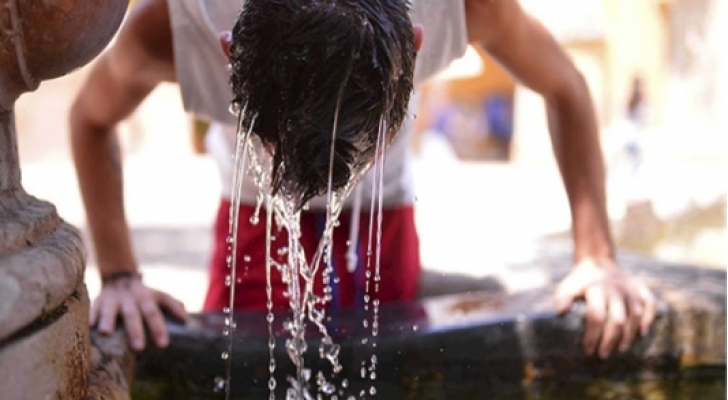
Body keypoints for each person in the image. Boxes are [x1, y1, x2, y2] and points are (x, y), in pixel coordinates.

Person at [70, 0, 655, 360]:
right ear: (230, 55)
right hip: (259, 220)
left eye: (366, 143)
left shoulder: (461, 6)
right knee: (235, 373)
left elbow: (566, 87)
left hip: (383, 217)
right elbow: (90, 120)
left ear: (415, 48)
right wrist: (120, 274)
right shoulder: (175, 25)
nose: (331, 181)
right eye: (276, 143)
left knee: (398, 370)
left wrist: (595, 255)